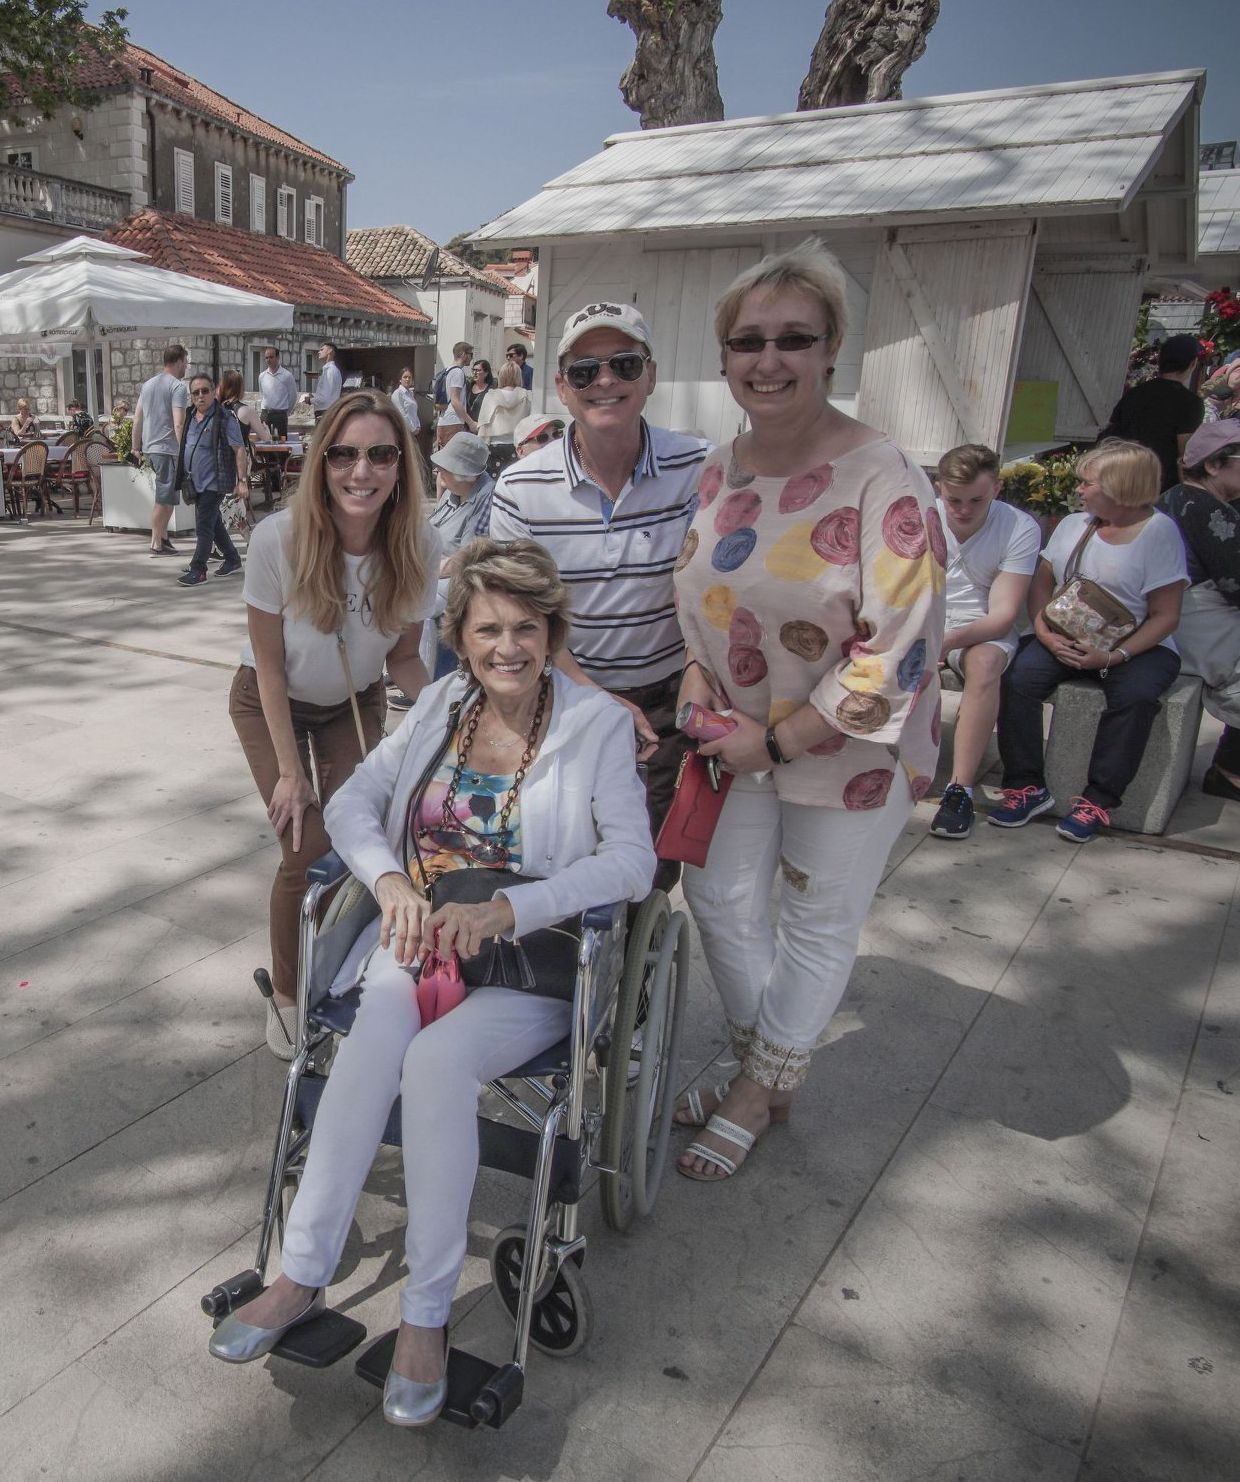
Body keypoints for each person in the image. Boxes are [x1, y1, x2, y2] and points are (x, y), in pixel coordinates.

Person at [208, 538, 655, 1428]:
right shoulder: (444, 701)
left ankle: (426, 1314)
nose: (508, 647)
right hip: (417, 935)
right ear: (460, 634)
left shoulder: (593, 725)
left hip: (527, 962)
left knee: (440, 1064)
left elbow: (633, 864)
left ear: (552, 631)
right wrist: (388, 882)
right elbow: (350, 805)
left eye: (527, 627)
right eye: (488, 628)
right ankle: (302, 1272)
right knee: (375, 1035)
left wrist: (515, 910)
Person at [671, 239, 945, 1181]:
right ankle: (771, 1061)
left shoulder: (884, 476)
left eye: (795, 339)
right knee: (717, 897)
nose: (769, 360)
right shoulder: (721, 467)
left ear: (832, 351)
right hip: (732, 738)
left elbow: (895, 647)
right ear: (726, 357)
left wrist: (777, 741)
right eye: (749, 341)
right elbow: (700, 596)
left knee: (817, 920)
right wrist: (699, 685)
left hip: (844, 750)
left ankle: (756, 1088)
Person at [228, 390, 440, 1057]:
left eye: (380, 454)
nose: (362, 471)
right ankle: (288, 996)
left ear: (401, 465)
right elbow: (266, 667)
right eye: (344, 454)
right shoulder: (278, 539)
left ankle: (347, 963)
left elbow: (404, 658)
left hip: (355, 699)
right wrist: (290, 773)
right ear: (321, 463)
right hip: (272, 700)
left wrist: (454, 715)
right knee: (304, 845)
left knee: (361, 838)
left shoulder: (419, 544)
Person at [490, 301, 710, 875]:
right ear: (563, 388)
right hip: (564, 696)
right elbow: (519, 608)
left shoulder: (699, 467)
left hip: (670, 697)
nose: (605, 381)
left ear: (651, 376)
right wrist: (588, 691)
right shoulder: (520, 486)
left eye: (624, 364)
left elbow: (720, 590)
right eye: (585, 371)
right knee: (559, 856)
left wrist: (697, 669)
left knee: (654, 866)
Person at [991, 439, 1187, 842]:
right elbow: (1042, 584)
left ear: (1120, 485)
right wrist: (1043, 633)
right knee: (1017, 680)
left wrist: (1115, 656)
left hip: (1137, 646)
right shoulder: (1072, 524)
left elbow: (1167, 615)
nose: (1078, 489)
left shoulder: (1159, 533)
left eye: (1088, 482)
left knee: (1135, 698)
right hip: (1064, 634)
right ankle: (1025, 786)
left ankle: (1098, 799)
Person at [929, 444, 1041, 839]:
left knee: (986, 664)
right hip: (926, 621)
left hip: (981, 629)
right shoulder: (921, 515)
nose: (962, 509)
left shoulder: (1019, 527)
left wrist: (946, 642)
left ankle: (959, 789)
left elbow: (1003, 615)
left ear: (997, 487)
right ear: (938, 488)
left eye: (976, 499)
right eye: (953, 499)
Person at [1159, 420, 1240, 802]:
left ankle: (1231, 767)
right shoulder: (1205, 508)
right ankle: (1230, 770)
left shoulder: (1179, 497)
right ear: (1213, 465)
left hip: (1185, 619)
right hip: (1192, 626)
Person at [1102, 334, 1204, 492]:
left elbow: (1112, 430)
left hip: (1122, 475)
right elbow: (1185, 452)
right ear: (1192, 364)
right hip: (1160, 484)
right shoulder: (1191, 403)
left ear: (1159, 361)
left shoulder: (1134, 393)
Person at [174, 374, 246, 588]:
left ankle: (199, 569)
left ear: (214, 391)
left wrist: (242, 480)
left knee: (203, 525)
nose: (200, 396)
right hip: (194, 482)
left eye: (205, 391)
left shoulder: (225, 417)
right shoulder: (190, 415)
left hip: (215, 482)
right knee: (213, 523)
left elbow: (239, 448)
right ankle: (232, 558)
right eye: (195, 392)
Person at [132, 345, 190, 557]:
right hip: (168, 448)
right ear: (179, 361)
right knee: (164, 499)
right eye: (186, 362)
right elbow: (179, 423)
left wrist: (135, 447)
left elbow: (137, 418)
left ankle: (163, 538)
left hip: (151, 447)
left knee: (169, 497)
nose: (186, 366)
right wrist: (185, 450)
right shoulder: (177, 387)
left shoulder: (148, 385)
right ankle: (156, 543)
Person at [476, 360, 530, 473]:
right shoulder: (526, 395)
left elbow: (484, 422)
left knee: (493, 482)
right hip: (518, 445)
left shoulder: (491, 395)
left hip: (494, 445)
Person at [436, 341, 476, 447]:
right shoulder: (458, 372)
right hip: (454, 422)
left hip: (443, 420)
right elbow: (455, 401)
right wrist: (471, 423)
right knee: (453, 460)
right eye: (470, 354)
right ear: (463, 354)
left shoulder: (447, 371)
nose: (472, 358)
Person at [259, 347, 298, 440]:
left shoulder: (287, 376)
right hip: (265, 414)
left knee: (280, 443)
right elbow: (262, 394)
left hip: (280, 415)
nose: (268, 360)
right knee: (264, 443)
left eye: (271, 357)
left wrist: (285, 412)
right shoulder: (262, 376)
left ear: (277, 358)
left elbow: (293, 396)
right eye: (266, 357)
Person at [311, 342, 343, 421]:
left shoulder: (330, 370)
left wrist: (311, 400)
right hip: (326, 411)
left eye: (322, 349)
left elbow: (325, 397)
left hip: (325, 412)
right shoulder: (328, 370)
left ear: (330, 351)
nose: (319, 352)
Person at [392, 367, 421, 438]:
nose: (407, 379)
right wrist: (412, 429)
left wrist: (418, 425)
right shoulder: (397, 393)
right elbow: (402, 414)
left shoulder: (410, 394)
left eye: (409, 377)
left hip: (414, 432)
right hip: (404, 431)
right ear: (400, 379)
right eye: (405, 377)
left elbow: (414, 412)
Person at [466, 359, 495, 423]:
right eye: (473, 370)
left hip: (482, 426)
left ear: (486, 373)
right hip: (466, 425)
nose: (474, 373)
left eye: (478, 370)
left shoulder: (491, 390)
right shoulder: (468, 387)